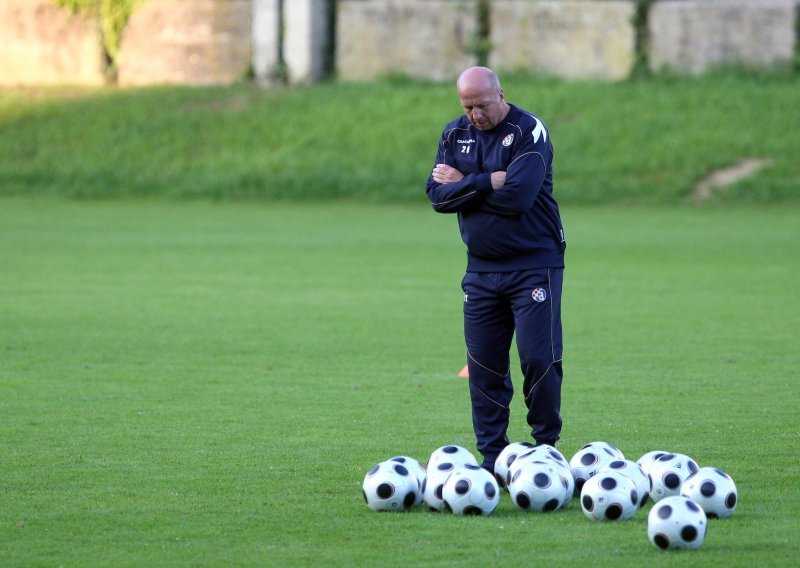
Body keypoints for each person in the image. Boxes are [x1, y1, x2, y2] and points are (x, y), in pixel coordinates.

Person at [425, 67, 566, 473]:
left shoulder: (528, 132)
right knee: (484, 366)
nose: (475, 115)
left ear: (500, 94)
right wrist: (488, 181)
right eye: (467, 107)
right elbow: (437, 196)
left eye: (482, 105)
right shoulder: (455, 135)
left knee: (539, 359)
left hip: (534, 264)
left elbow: (519, 197)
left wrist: (465, 184)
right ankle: (492, 458)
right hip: (481, 271)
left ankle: (546, 448)